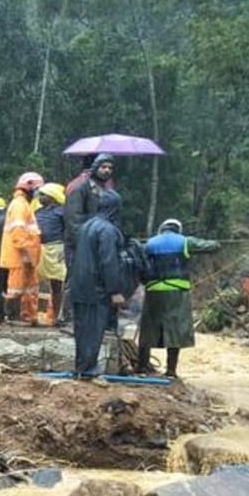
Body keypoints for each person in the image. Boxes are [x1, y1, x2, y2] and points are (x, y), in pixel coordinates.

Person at [137, 219, 220, 377]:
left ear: (161, 229)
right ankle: (170, 371)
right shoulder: (185, 241)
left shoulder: (149, 243)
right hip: (177, 293)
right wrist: (216, 244)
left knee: (149, 329)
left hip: (153, 292)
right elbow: (212, 246)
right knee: (175, 330)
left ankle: (141, 368)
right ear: (178, 229)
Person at [70, 190, 127, 378]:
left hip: (79, 286)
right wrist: (115, 290)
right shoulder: (107, 231)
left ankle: (81, 368)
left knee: (81, 331)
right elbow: (108, 262)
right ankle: (88, 371)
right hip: (96, 290)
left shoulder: (86, 226)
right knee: (93, 331)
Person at [0, 172, 44, 325]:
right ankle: (13, 316)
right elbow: (18, 232)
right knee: (17, 287)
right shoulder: (19, 205)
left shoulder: (24, 204)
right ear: (29, 187)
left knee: (28, 288)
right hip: (20, 255)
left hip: (26, 255)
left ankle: (27, 316)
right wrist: (27, 250)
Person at [64, 154, 117, 262]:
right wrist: (86, 243)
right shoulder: (79, 188)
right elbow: (74, 220)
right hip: (82, 244)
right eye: (103, 167)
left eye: (110, 168)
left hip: (102, 241)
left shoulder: (107, 189)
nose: (107, 170)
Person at [35, 183, 68, 325]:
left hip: (57, 249)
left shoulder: (62, 212)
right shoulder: (37, 212)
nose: (40, 197)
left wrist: (66, 249)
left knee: (57, 284)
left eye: (43, 195)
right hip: (39, 249)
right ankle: (32, 314)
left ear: (52, 197)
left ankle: (56, 316)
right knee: (33, 283)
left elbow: (69, 231)